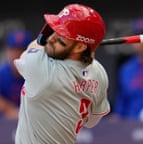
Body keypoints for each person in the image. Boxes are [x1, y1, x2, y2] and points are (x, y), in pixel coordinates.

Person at [14, 4, 110, 144]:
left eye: (61, 37)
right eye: (54, 32)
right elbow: (92, 122)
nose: (51, 39)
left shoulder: (41, 68)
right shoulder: (99, 72)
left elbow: (34, 46)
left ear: (79, 47)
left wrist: (43, 38)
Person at [0, 29, 33, 119]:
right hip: (4, 125)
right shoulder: (2, 73)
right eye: (13, 50)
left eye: (21, 50)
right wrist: (8, 109)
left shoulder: (37, 75)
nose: (16, 54)